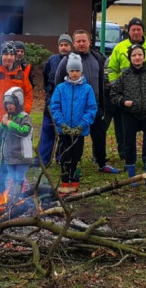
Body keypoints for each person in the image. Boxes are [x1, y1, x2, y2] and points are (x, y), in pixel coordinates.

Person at [55, 30, 120, 174]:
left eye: (84, 41)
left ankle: (102, 163)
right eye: (78, 41)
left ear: (90, 42)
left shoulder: (98, 58)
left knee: (99, 135)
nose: (81, 44)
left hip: (94, 106)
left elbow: (104, 82)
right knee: (73, 137)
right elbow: (58, 82)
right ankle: (70, 163)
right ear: (74, 43)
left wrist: (104, 105)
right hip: (74, 109)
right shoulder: (67, 60)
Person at [107, 18, 146, 165]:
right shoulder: (119, 47)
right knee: (125, 133)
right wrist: (116, 84)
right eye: (133, 29)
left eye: (139, 29)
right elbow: (112, 68)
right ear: (128, 31)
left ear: (143, 31)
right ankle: (126, 158)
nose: (136, 32)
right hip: (127, 100)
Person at [0, 41, 33, 197]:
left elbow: (28, 94)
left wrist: (25, 111)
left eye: (11, 54)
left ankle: (4, 185)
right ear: (1, 56)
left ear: (15, 56)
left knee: (8, 155)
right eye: (5, 54)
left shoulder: (20, 74)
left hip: (14, 124)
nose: (8, 58)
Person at [109, 44, 146, 188]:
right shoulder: (125, 75)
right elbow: (113, 94)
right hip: (129, 115)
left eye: (140, 54)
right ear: (130, 58)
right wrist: (123, 102)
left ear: (144, 56)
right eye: (134, 55)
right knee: (129, 145)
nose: (137, 57)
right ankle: (132, 178)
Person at [50, 53, 97, 194]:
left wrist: (82, 125)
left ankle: (75, 181)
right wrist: (61, 123)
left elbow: (91, 109)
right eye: (72, 70)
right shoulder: (60, 88)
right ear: (68, 71)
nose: (74, 73)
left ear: (81, 71)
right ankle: (64, 182)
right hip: (64, 130)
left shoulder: (87, 89)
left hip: (79, 130)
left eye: (77, 70)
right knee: (65, 156)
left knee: (77, 156)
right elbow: (55, 107)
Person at [38, 34, 73, 166]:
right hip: (51, 102)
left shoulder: (74, 60)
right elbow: (46, 78)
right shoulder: (51, 60)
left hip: (67, 104)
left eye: (66, 45)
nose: (64, 48)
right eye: (61, 45)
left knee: (63, 132)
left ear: (71, 46)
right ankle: (43, 160)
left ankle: (61, 158)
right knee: (47, 130)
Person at [0, 87, 34, 196]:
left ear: (18, 103)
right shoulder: (7, 117)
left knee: (20, 177)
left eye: (12, 103)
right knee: (10, 178)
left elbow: (25, 131)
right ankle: (10, 196)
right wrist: (3, 124)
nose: (9, 106)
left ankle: (24, 196)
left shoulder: (24, 117)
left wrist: (10, 124)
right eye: (7, 103)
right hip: (9, 155)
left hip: (21, 155)